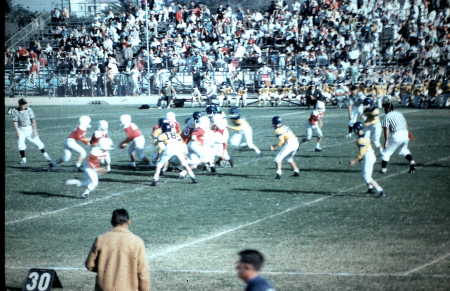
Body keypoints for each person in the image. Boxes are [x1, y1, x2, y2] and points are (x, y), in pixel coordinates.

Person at [85, 208, 151, 291]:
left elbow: (89, 265)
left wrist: (105, 269)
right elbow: (143, 272)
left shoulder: (101, 239)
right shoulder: (137, 242)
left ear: (112, 222)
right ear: (129, 221)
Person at [11, 98, 54, 167]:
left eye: (26, 104)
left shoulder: (29, 109)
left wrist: (35, 131)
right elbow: (15, 122)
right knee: (20, 144)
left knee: (38, 143)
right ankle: (23, 159)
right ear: (20, 105)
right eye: (24, 104)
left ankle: (48, 157)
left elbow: (33, 121)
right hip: (21, 129)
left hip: (29, 129)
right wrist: (17, 132)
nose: (26, 105)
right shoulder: (15, 111)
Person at [380, 100, 416, 174]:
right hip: (405, 133)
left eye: (385, 108)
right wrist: (408, 133)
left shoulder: (386, 116)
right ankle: (412, 162)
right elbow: (405, 124)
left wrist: (386, 140)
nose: (384, 110)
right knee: (404, 150)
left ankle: (383, 169)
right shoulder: (399, 113)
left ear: (387, 109)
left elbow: (385, 129)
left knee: (386, 152)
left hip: (396, 135)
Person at [349, 122, 384, 198]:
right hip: (368, 156)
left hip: (368, 157)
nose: (354, 131)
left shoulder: (360, 140)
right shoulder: (364, 136)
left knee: (367, 177)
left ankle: (380, 190)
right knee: (364, 174)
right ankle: (370, 189)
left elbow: (362, 153)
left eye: (355, 129)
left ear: (357, 130)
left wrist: (354, 161)